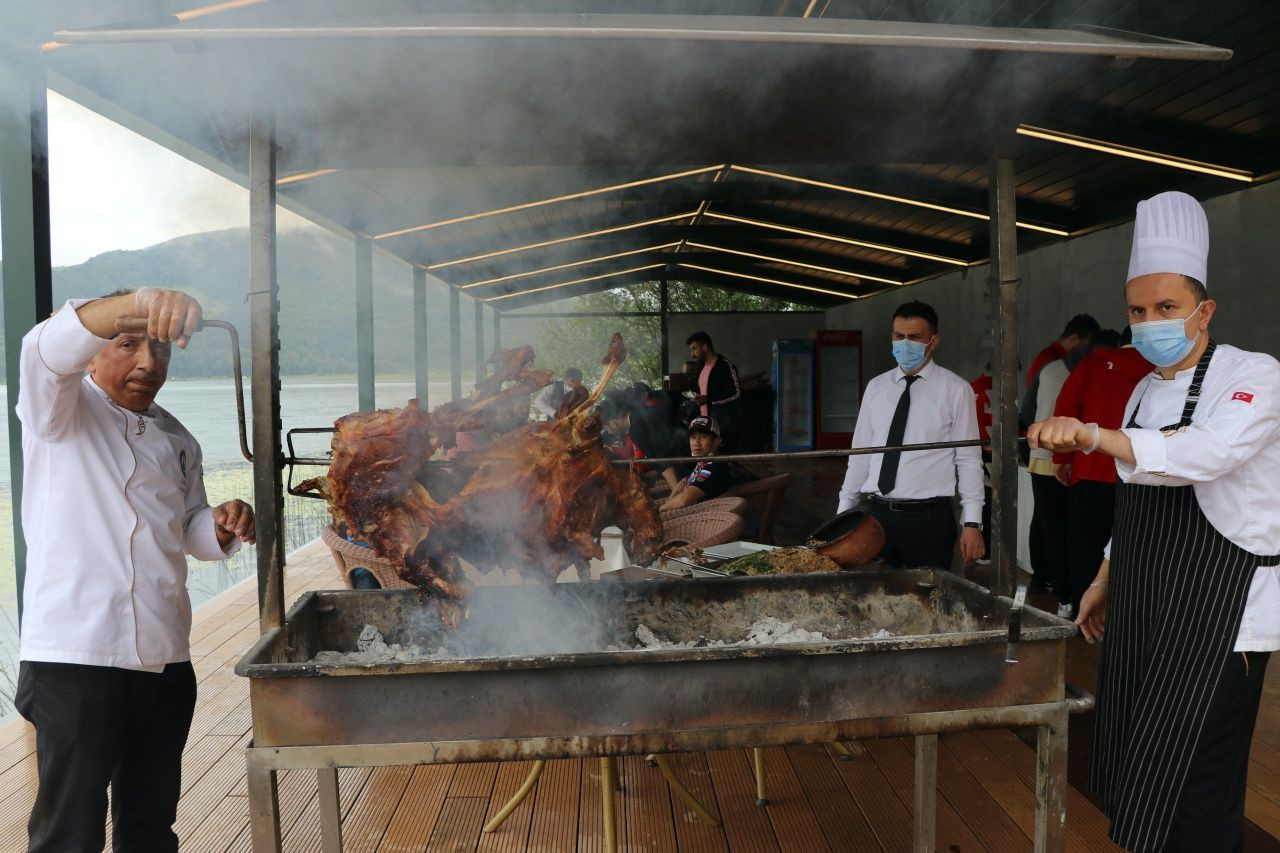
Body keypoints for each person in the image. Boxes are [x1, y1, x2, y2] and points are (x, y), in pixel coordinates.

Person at [1029, 191, 1280, 852]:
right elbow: (1138, 497)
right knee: (1144, 770)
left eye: (1166, 308)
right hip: (1146, 605)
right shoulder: (1143, 389)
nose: (1150, 322)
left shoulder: (1254, 376)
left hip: (1222, 615)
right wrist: (1106, 575)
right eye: (1138, 311)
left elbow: (1204, 454)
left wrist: (1091, 432)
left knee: (1199, 787)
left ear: (1205, 310)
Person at [15, 286, 257, 852]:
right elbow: (43, 349)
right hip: (78, 657)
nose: (149, 363)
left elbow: (188, 528)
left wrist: (219, 526)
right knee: (68, 834)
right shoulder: (59, 411)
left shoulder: (178, 439)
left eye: (161, 349)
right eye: (127, 344)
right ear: (92, 352)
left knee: (150, 827)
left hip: (166, 655)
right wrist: (145, 301)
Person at [836, 301, 985, 569]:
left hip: (928, 520)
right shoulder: (876, 387)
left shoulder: (955, 389)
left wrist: (972, 521)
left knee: (927, 601)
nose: (905, 344)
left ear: (933, 341)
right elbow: (859, 455)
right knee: (872, 599)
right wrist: (843, 513)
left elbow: (968, 459)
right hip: (875, 516)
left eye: (914, 337)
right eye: (898, 336)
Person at [1050, 327, 1149, 614]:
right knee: (1133, 551)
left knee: (1086, 550)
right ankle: (1127, 619)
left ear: (1121, 341)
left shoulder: (1094, 362)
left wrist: (1062, 458)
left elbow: (1065, 410)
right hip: (1142, 477)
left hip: (1091, 472)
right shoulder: (1162, 369)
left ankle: (1085, 616)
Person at [660, 416, 733, 510]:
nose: (696, 442)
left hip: (708, 517)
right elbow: (684, 481)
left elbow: (683, 500)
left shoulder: (713, 466)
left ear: (717, 441)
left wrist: (661, 509)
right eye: (693, 437)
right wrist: (671, 499)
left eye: (704, 436)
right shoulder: (705, 463)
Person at [686, 332, 742, 449]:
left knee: (723, 458)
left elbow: (735, 393)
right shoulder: (701, 368)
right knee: (708, 459)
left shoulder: (725, 366)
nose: (692, 354)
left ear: (705, 347)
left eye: (694, 349)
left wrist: (708, 399)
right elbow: (703, 396)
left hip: (724, 427)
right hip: (706, 425)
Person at [1025, 313, 1101, 390]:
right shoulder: (1051, 360)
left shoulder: (1055, 357)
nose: (1088, 352)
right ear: (1073, 339)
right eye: (1087, 347)